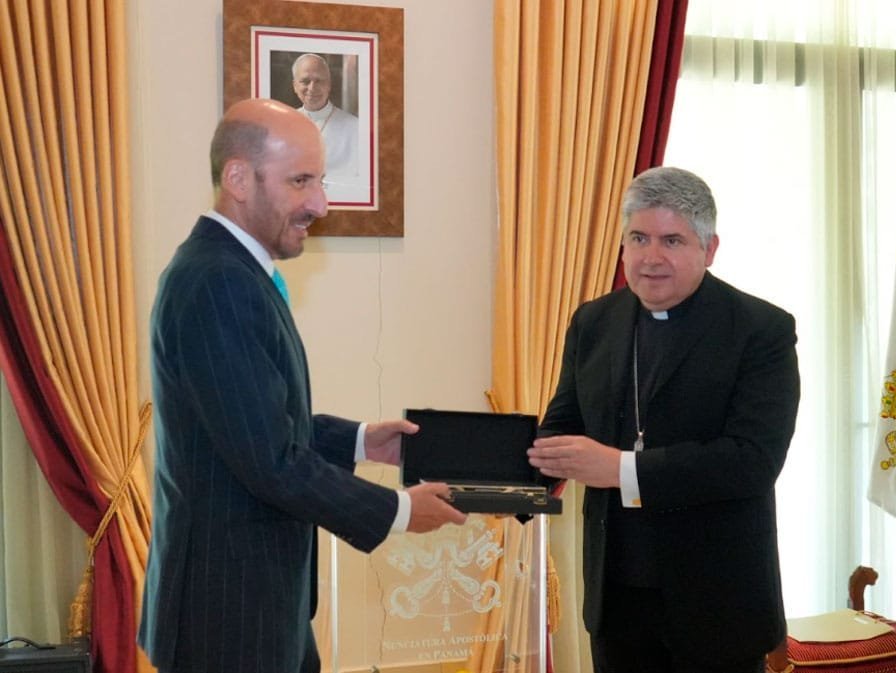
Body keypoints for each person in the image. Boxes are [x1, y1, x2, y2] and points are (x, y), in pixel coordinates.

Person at [138, 98, 467, 673]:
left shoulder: (232, 272)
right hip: (229, 615)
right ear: (238, 178)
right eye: (300, 181)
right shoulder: (218, 283)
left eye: (319, 180)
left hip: (256, 603)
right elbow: (270, 460)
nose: (319, 203)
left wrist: (363, 441)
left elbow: (254, 425)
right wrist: (396, 509)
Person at [528, 167, 800, 673]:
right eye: (639, 238)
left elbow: (751, 461)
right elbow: (561, 428)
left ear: (709, 248)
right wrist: (494, 476)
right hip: (618, 600)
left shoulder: (761, 330)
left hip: (718, 603)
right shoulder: (593, 321)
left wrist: (622, 470)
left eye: (672, 240)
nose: (651, 257)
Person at [291, 53, 359, 178]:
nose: (312, 88)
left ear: (329, 85)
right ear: (295, 86)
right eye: (305, 81)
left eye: (319, 81)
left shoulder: (355, 127)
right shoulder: (282, 124)